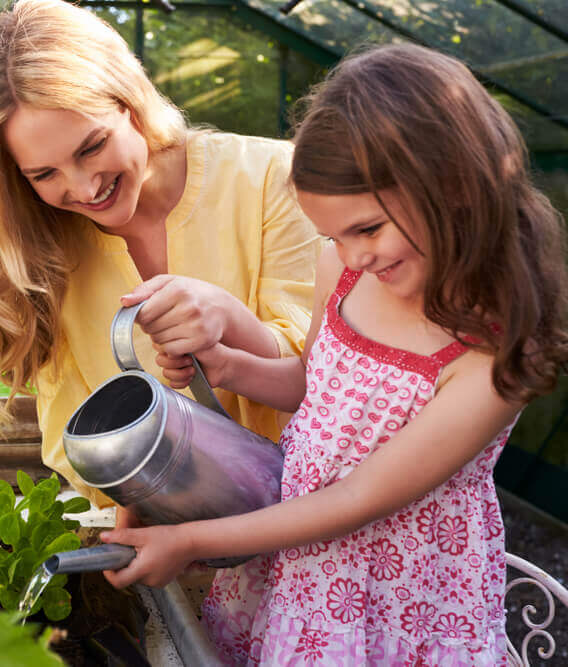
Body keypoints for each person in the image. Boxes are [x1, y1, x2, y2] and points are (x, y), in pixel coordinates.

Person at [98, 43, 568, 664]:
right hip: (297, 565)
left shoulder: (491, 356)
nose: (351, 256)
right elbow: (311, 384)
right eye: (334, 236)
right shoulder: (345, 275)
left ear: (452, 187)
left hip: (394, 597)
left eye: (367, 229)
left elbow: (354, 501)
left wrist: (188, 540)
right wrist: (229, 365)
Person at [0, 0, 322, 511]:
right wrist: (157, 505)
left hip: (315, 521)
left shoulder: (270, 178)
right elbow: (68, 435)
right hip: (163, 535)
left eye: (91, 146)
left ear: (129, 102)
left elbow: (329, 375)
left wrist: (227, 320)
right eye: (44, 175)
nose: (83, 188)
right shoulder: (41, 255)